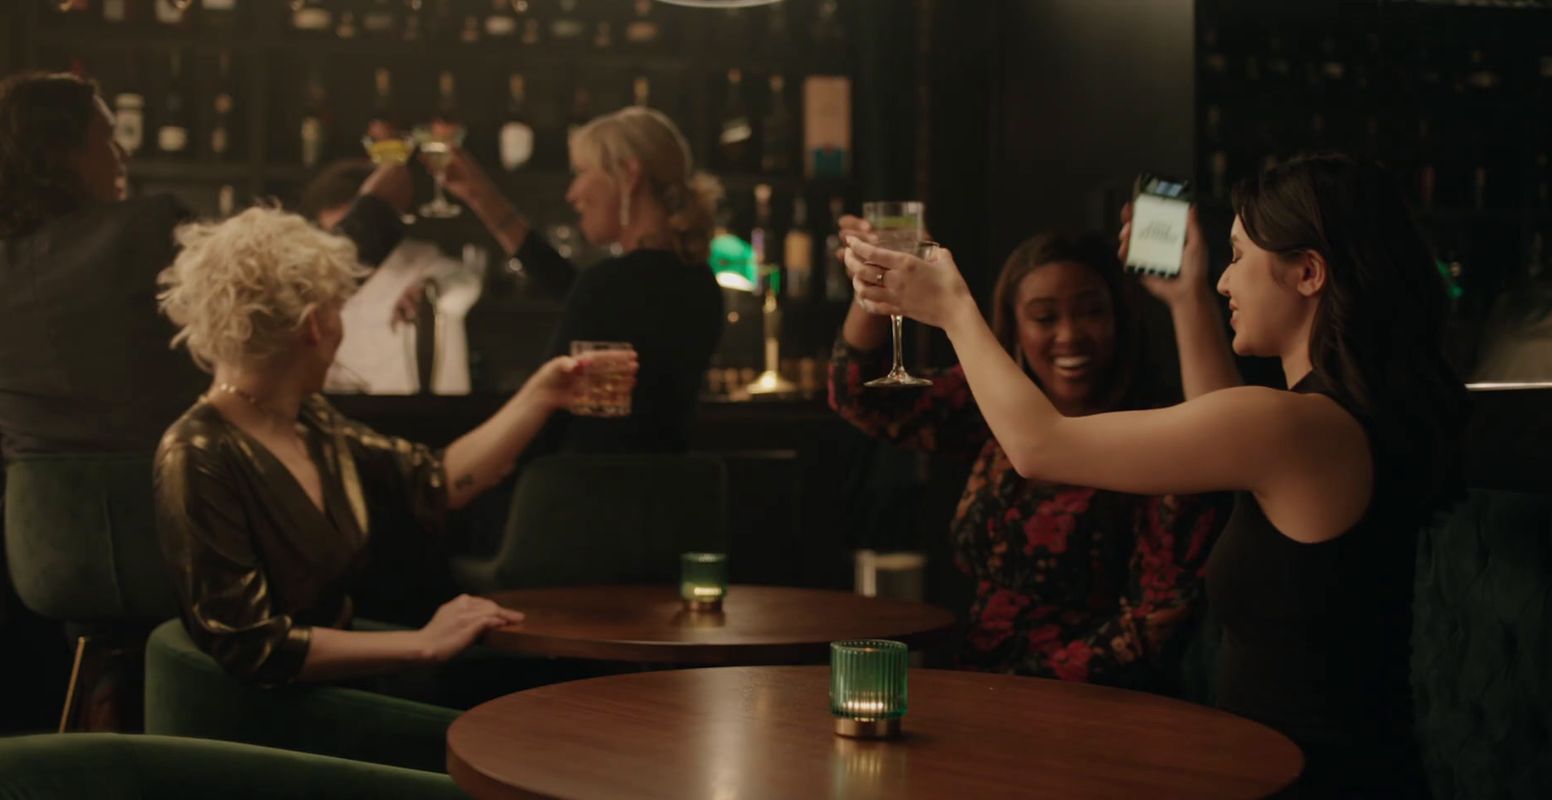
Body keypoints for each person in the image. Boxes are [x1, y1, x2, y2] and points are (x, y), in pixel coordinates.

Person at [848, 153, 1467, 796]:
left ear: (1308, 272)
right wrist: (1183, 294)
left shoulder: (1294, 428)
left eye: (1236, 258)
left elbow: (1039, 446)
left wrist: (953, 309)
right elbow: (1217, 421)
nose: (1226, 283)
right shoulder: (1324, 424)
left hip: (1307, 782)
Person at [152, 206, 635, 691]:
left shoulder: (309, 421)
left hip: (341, 692)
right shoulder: (197, 451)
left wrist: (545, 393)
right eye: (340, 308)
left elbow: (434, 480)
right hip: (288, 723)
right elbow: (252, 647)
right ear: (315, 325)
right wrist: (422, 644)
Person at [829, 228, 1229, 687]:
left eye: (1092, 312)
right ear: (1014, 328)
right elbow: (857, 394)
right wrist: (875, 278)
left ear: (1120, 318)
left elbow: (1152, 624)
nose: (1070, 335)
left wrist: (1016, 690)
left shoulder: (1163, 437)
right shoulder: (996, 409)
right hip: (978, 690)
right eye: (1043, 317)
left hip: (1094, 709)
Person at [0, 72, 411, 458]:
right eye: (106, 139)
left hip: (39, 558)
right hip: (193, 527)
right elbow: (287, 293)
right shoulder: (147, 234)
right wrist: (376, 209)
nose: (122, 156)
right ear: (62, 156)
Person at [438, 106, 723, 454]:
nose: (572, 194)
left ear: (628, 175)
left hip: (584, 497)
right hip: (664, 499)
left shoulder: (611, 285)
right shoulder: (698, 282)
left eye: (582, 172)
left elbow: (544, 420)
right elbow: (575, 288)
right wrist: (480, 196)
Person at [302, 159, 482, 395]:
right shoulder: (322, 280)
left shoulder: (419, 259)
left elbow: (466, 285)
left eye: (357, 229)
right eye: (337, 233)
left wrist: (429, 290)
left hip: (422, 418)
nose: (348, 244)